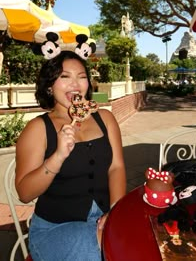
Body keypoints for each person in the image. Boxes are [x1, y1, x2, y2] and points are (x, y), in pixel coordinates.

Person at [15, 50, 126, 261]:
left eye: (82, 76)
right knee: (100, 250)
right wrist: (58, 156)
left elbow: (116, 167)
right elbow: (25, 193)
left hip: (103, 217)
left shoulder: (105, 118)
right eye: (64, 76)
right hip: (55, 228)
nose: (75, 84)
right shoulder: (37, 128)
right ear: (49, 85)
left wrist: (115, 212)